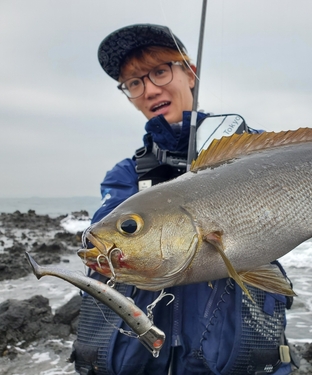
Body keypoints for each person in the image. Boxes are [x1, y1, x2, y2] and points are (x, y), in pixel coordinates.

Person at [71, 24, 295, 375]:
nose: (149, 89)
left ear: (190, 74)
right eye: (134, 83)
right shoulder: (125, 175)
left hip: (237, 359)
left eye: (160, 71)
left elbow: (299, 179)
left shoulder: (249, 151)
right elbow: (107, 241)